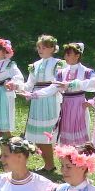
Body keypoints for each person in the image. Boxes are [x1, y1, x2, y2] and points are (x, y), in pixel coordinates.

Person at [19, 34, 64, 172]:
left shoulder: (58, 63)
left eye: (43, 47)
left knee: (48, 134)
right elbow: (29, 84)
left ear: (52, 48)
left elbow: (56, 84)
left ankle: (59, 164)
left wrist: (37, 94)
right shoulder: (35, 65)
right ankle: (48, 164)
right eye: (39, 47)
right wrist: (17, 86)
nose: (40, 49)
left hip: (49, 99)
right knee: (38, 134)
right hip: (36, 101)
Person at [44, 42, 95, 147]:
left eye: (68, 54)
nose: (65, 57)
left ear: (77, 55)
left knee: (80, 132)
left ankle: (80, 159)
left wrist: (91, 101)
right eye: (65, 54)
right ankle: (66, 160)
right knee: (65, 131)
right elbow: (52, 88)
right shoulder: (61, 72)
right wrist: (33, 95)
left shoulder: (87, 72)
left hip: (79, 104)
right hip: (66, 105)